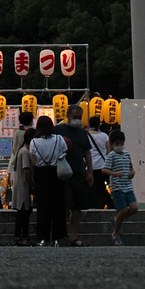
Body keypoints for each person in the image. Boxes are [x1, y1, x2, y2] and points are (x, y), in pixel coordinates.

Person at [57, 103, 94, 247]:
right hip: (62, 172)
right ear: (68, 116)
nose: (77, 120)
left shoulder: (83, 132)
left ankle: (73, 235)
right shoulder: (59, 130)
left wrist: (90, 171)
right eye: (75, 117)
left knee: (77, 206)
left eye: (79, 117)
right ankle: (62, 234)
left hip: (78, 171)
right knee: (64, 204)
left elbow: (87, 152)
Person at [29, 115, 68, 246]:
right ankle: (59, 237)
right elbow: (64, 152)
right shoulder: (59, 139)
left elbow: (33, 161)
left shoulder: (34, 142)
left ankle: (43, 237)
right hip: (57, 173)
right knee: (58, 206)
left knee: (42, 208)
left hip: (41, 174)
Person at [102, 130, 138, 246]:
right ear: (112, 144)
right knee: (123, 209)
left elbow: (131, 167)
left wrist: (132, 172)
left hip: (127, 186)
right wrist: (114, 173)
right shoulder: (111, 155)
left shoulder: (127, 154)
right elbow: (104, 169)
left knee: (134, 207)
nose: (119, 146)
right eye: (116, 144)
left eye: (121, 143)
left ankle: (116, 219)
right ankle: (116, 233)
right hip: (117, 187)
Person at [11, 126, 35, 245]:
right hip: (24, 186)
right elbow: (26, 170)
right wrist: (32, 185)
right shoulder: (25, 152)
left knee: (24, 212)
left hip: (20, 185)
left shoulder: (21, 151)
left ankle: (20, 236)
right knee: (23, 212)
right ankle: (22, 236)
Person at [87, 115, 113, 208]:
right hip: (102, 165)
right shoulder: (104, 136)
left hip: (89, 166)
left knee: (91, 187)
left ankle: (93, 205)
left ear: (89, 124)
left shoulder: (86, 136)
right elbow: (108, 151)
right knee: (102, 186)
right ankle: (107, 204)